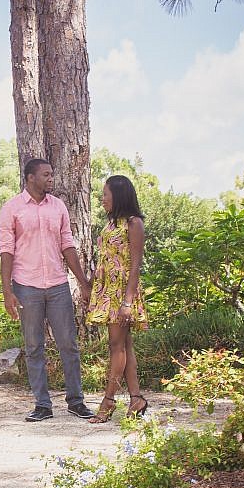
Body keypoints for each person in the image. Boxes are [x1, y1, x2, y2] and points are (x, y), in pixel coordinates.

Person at [0, 158, 95, 422]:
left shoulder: (58, 207)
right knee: (33, 346)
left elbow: (67, 245)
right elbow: (6, 251)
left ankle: (76, 401)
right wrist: (7, 291)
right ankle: (42, 405)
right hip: (26, 285)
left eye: (52, 174)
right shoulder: (12, 209)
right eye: (46, 175)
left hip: (57, 284)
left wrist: (83, 282)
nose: (51, 179)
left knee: (69, 345)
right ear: (30, 177)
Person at [86, 175, 150, 423]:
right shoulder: (111, 224)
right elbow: (104, 260)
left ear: (118, 195)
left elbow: (135, 265)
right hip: (107, 291)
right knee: (125, 345)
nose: (102, 199)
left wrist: (127, 302)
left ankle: (109, 401)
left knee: (116, 346)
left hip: (123, 293)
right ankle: (136, 399)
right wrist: (91, 287)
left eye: (105, 194)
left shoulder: (134, 223)